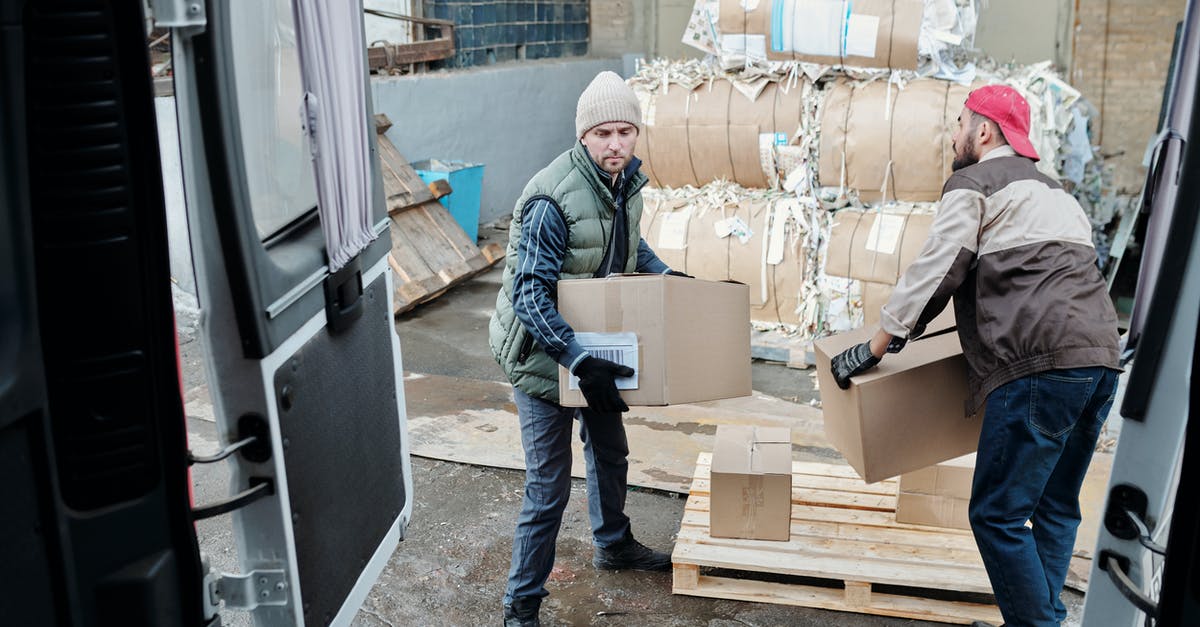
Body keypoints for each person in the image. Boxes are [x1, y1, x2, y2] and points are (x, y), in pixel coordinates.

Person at [829, 85, 1121, 627]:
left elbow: (938, 268)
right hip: (1100, 360)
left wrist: (876, 345)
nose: (954, 133)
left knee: (996, 515)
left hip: (1038, 365)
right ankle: (1040, 616)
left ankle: (1038, 624)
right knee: (1055, 507)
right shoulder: (1058, 193)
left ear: (983, 131)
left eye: (960, 122)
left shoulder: (975, 182)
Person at [488, 71, 682, 627]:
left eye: (625, 131)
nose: (616, 144)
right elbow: (529, 294)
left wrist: (670, 278)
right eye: (603, 134)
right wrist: (576, 360)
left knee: (610, 451)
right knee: (548, 489)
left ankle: (613, 544)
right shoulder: (553, 198)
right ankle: (520, 606)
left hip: (593, 345)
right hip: (541, 357)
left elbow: (626, 242)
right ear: (583, 136)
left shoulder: (622, 184)